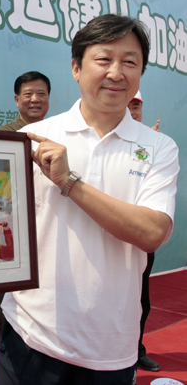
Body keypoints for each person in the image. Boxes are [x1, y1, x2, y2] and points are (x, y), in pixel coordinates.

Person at [0, 14, 179, 385]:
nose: (116, 72)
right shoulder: (33, 138)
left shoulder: (159, 147)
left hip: (111, 345)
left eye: (130, 62)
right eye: (104, 59)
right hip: (31, 334)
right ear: (76, 68)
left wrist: (70, 182)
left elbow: (151, 233)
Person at [0, 70, 51, 352]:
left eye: (41, 94)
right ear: (17, 100)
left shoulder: (58, 135)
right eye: (28, 94)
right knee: (7, 306)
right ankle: (6, 363)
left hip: (49, 230)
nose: (35, 99)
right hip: (12, 231)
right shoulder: (4, 136)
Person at [127, 91, 161, 372]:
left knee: (141, 299)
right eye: (129, 105)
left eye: (136, 107)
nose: (132, 111)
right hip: (107, 238)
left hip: (139, 240)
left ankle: (135, 350)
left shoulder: (154, 146)